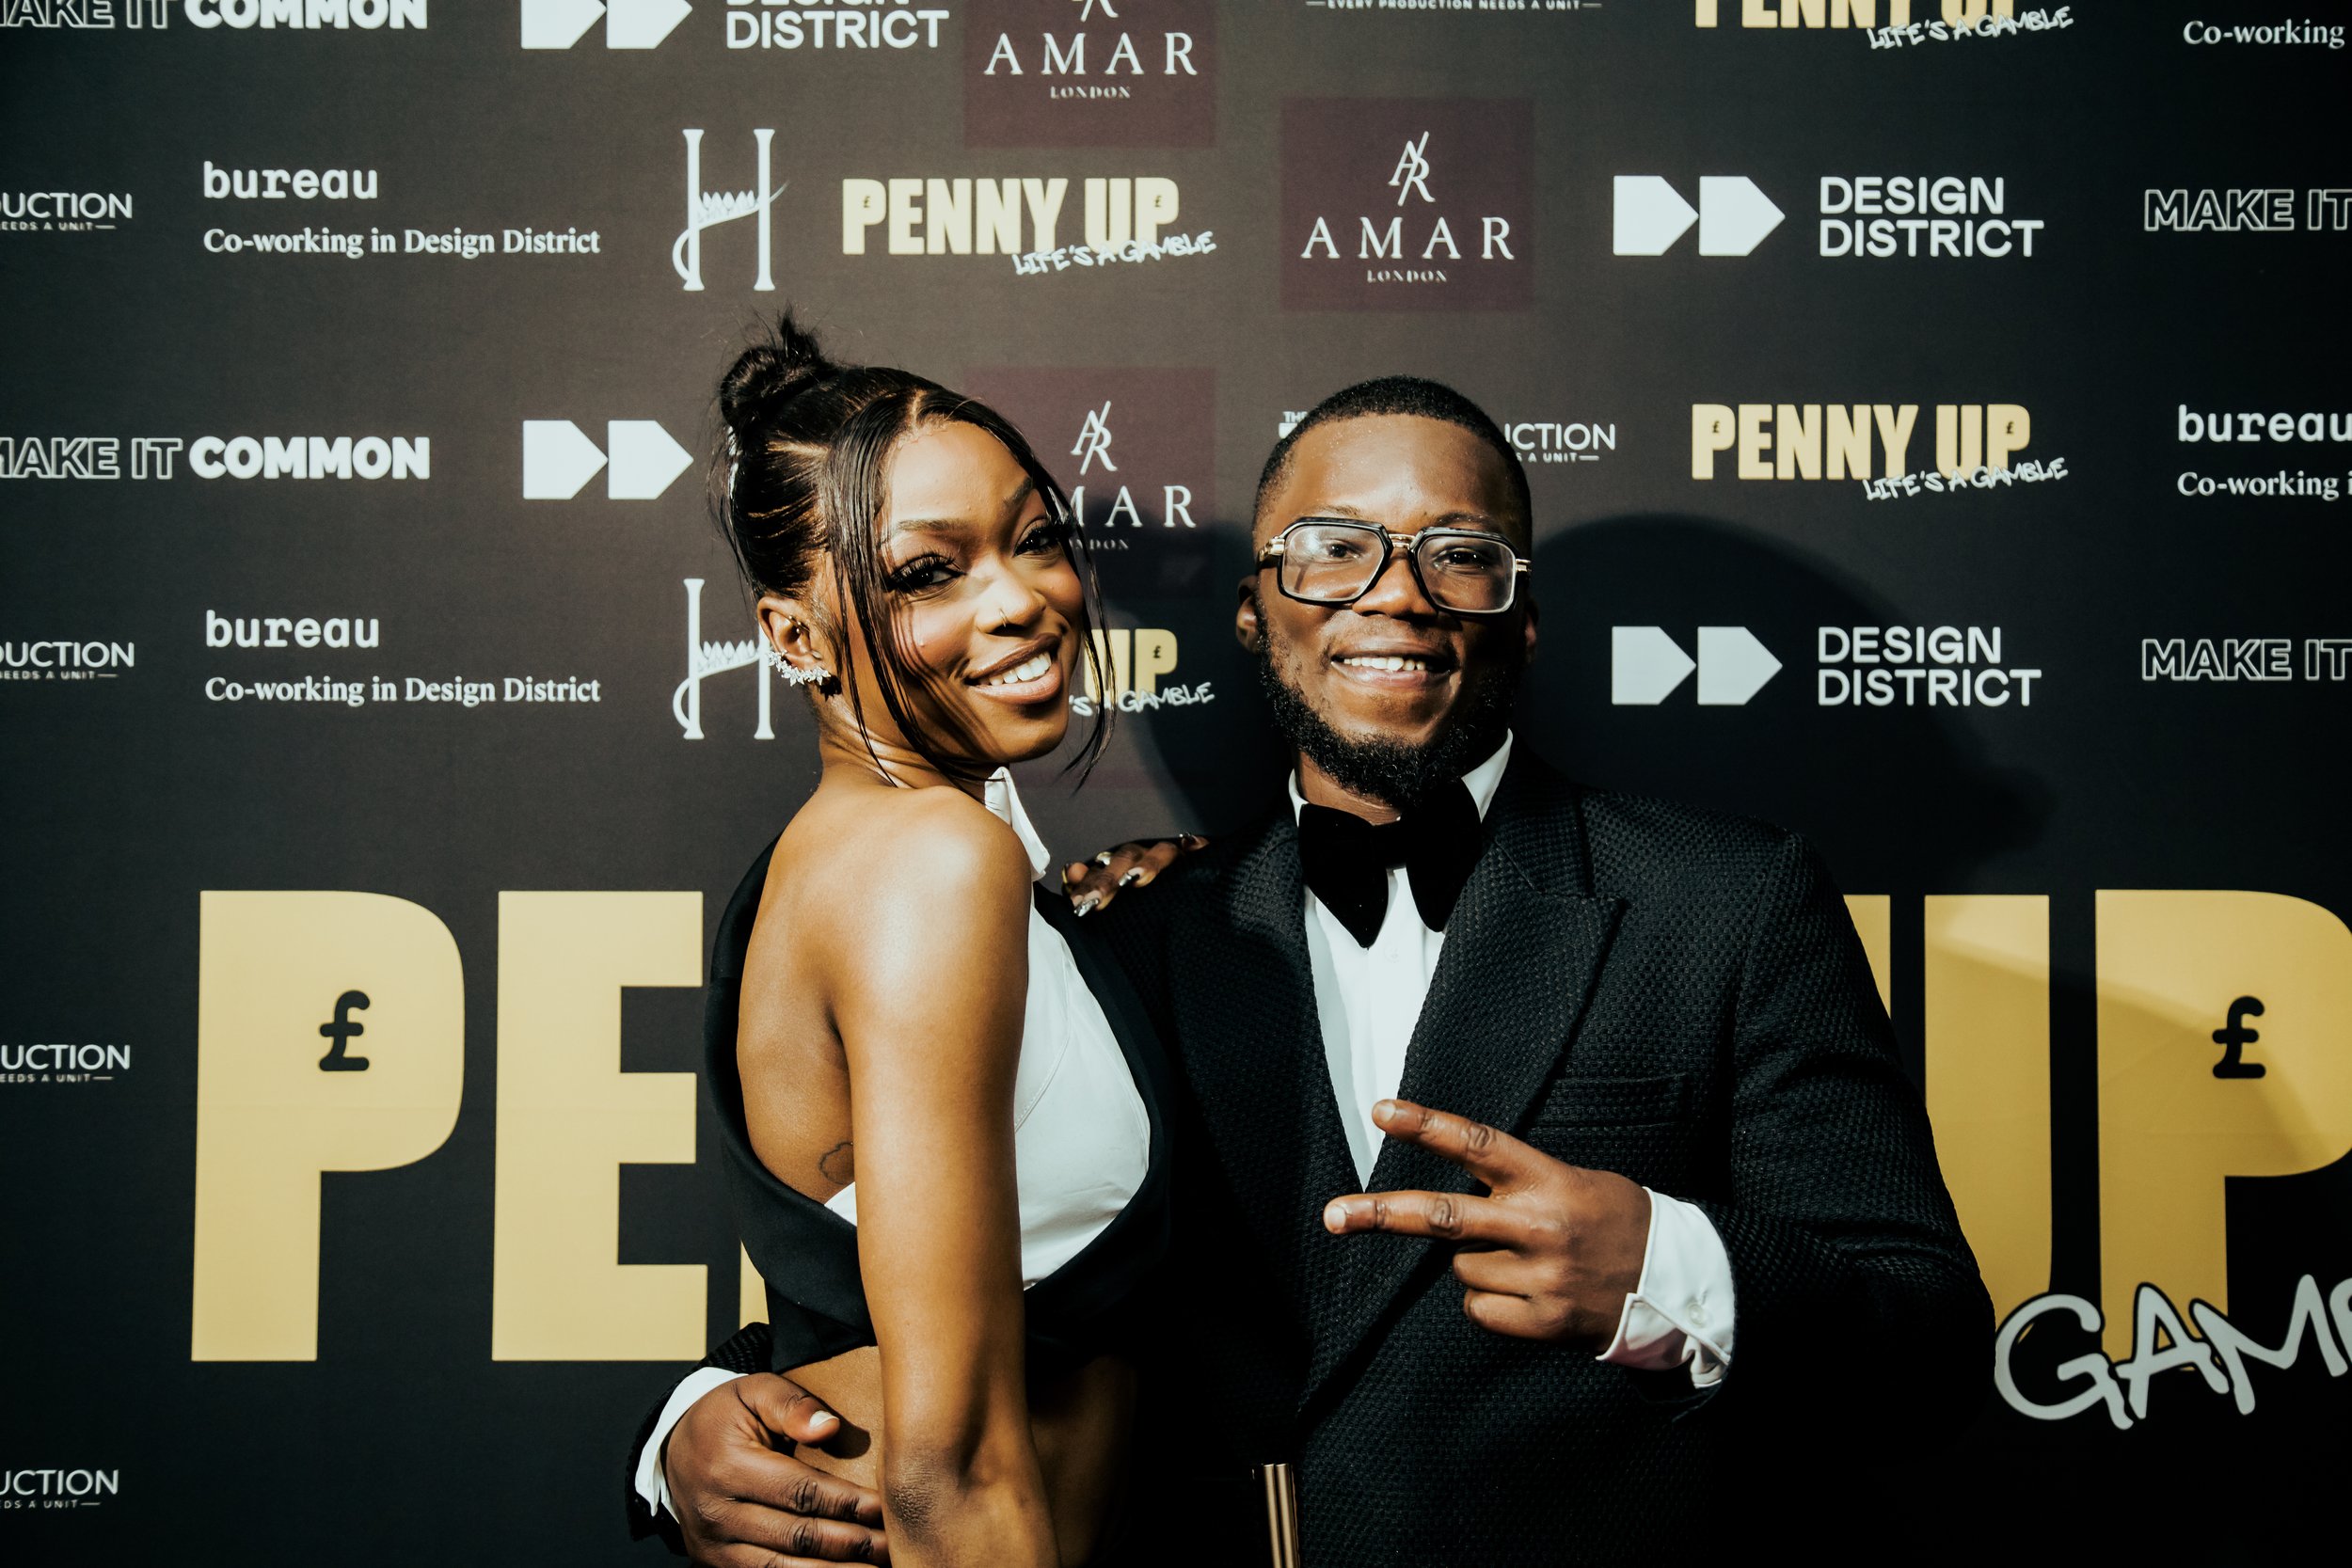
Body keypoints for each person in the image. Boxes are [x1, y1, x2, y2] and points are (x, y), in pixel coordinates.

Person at [630, 376, 1993, 1565]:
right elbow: (984, 1293)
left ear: (1522, 617)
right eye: (1333, 550)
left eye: (1460, 555)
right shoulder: (1133, 931)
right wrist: (694, 1423)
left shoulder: (1729, 904)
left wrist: (1668, 1267)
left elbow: (1929, 1354)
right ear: (1252, 612)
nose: (1395, 593)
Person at [650, 314, 1181, 1568]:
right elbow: (952, 1467)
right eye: (928, 573)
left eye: (1034, 538)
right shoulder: (934, 863)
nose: (1022, 600)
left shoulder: (886, 851)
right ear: (794, 638)